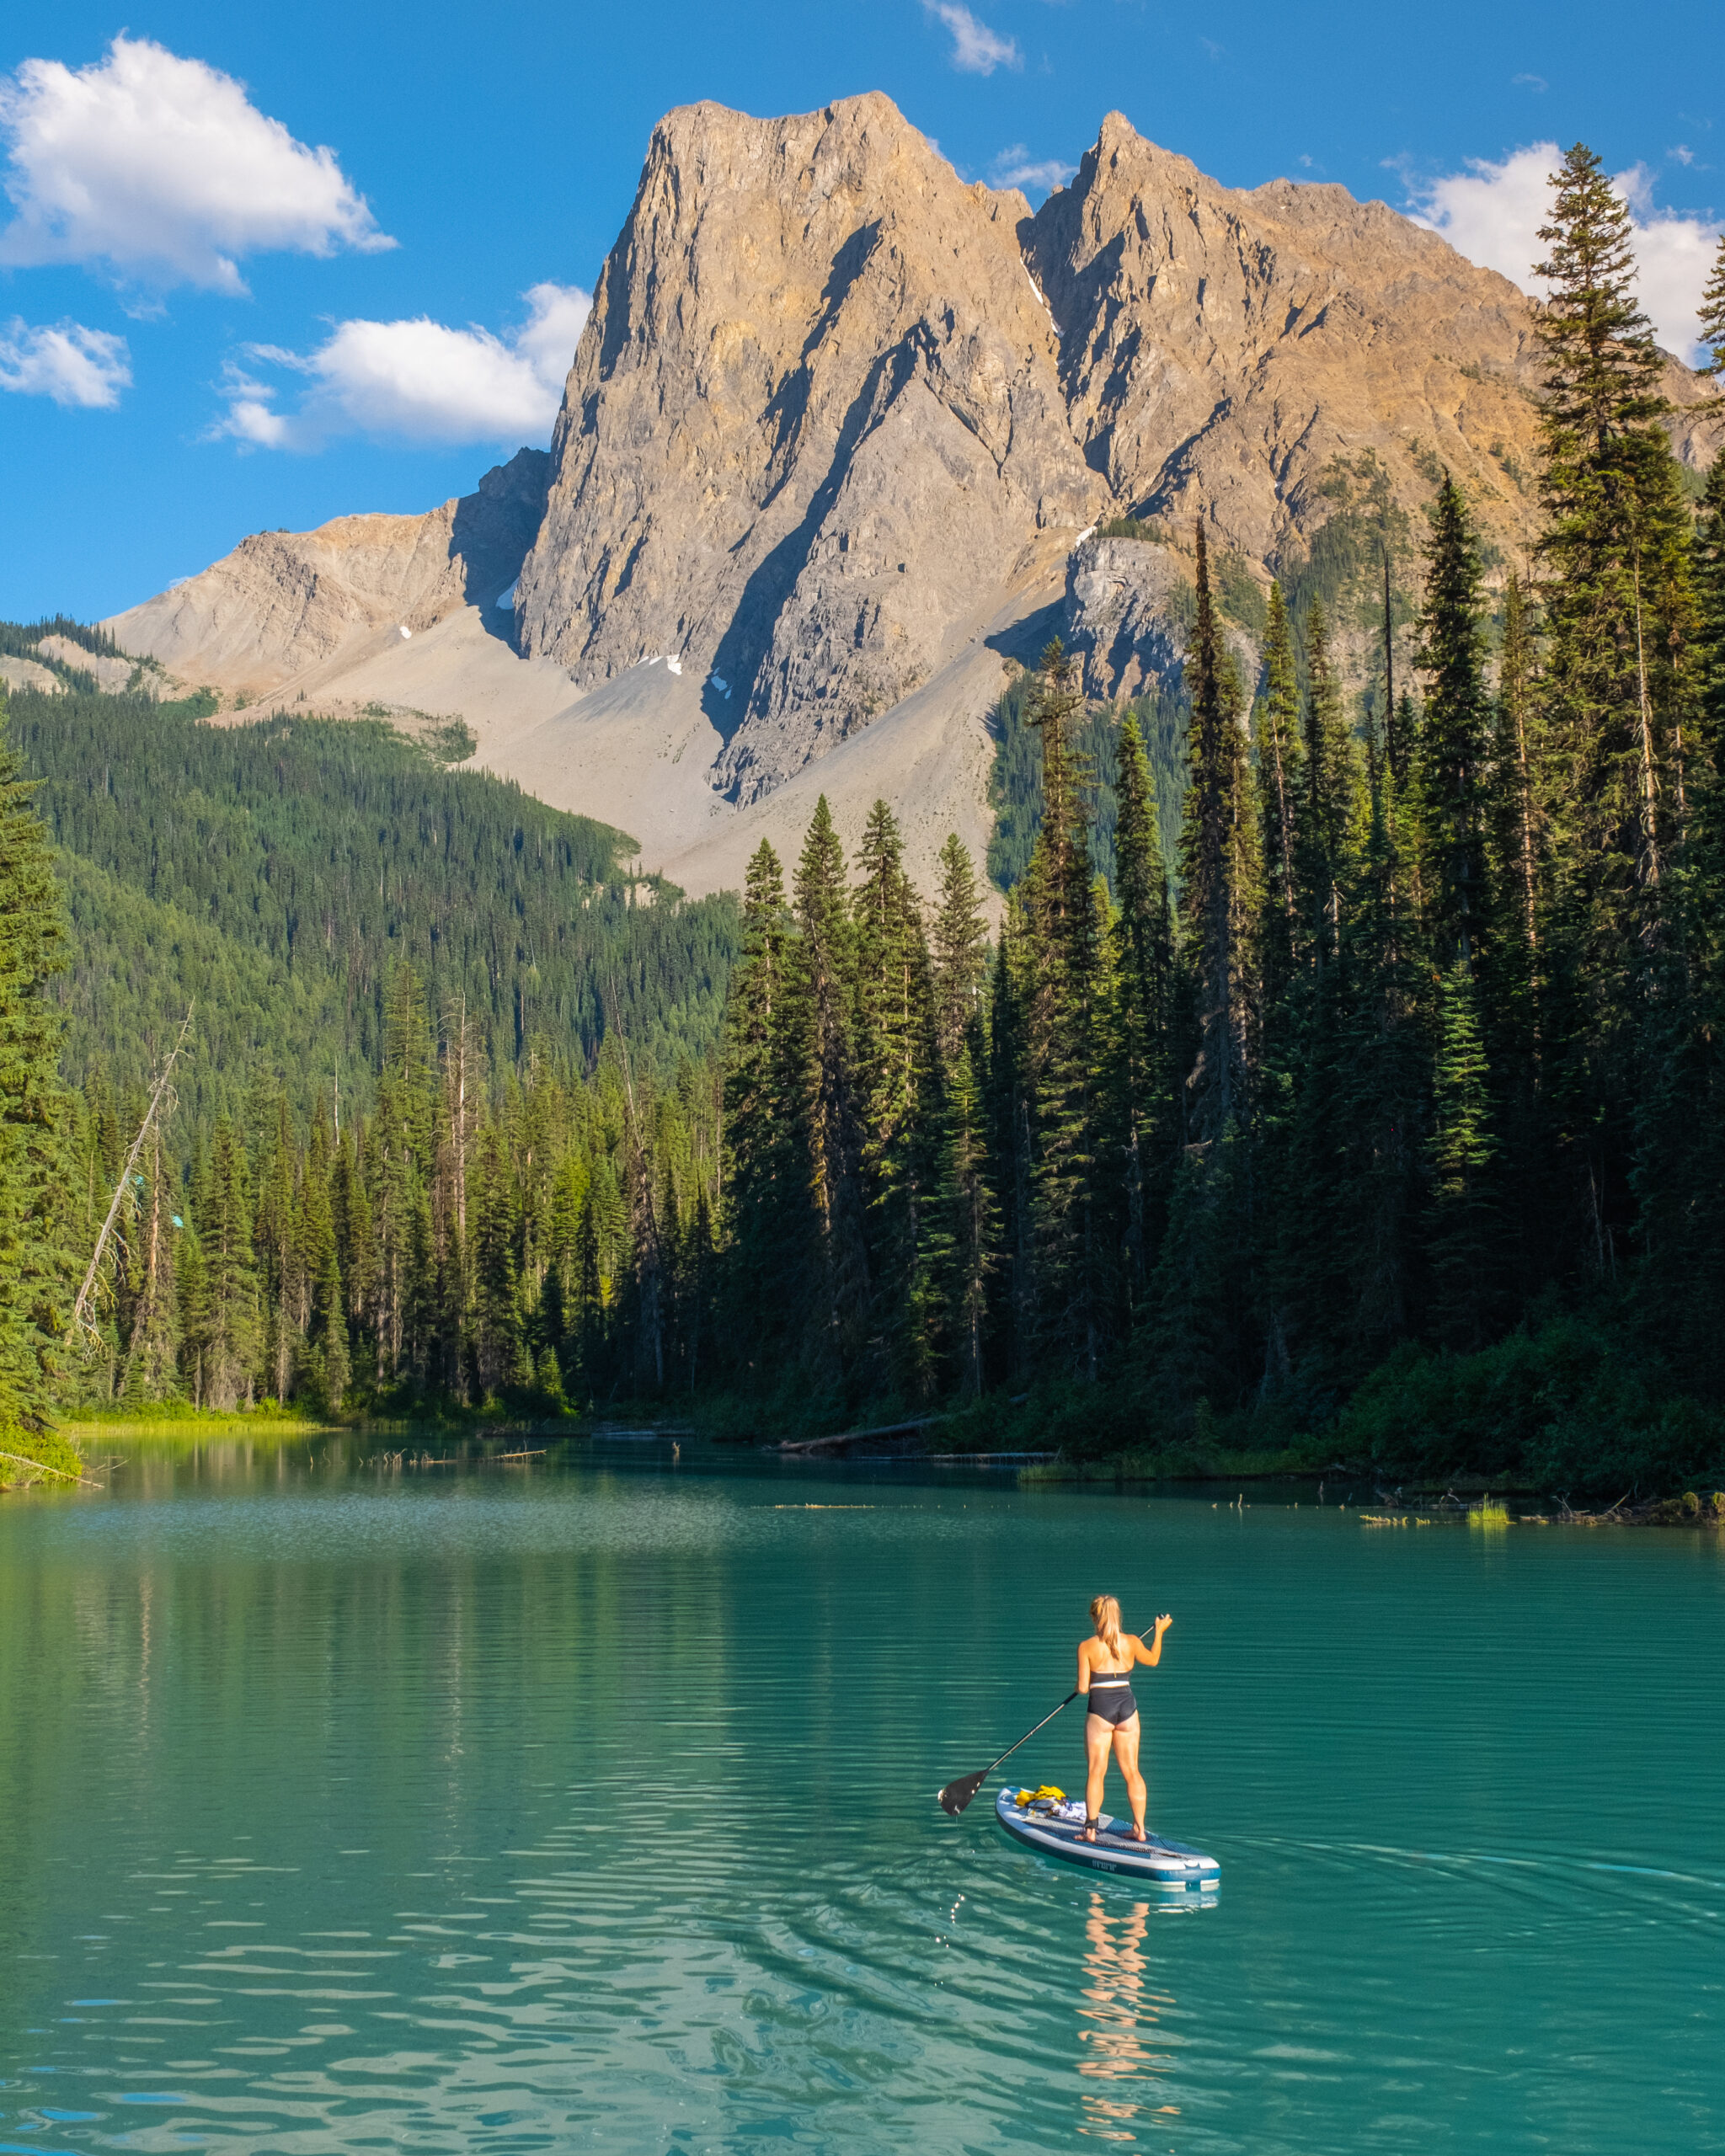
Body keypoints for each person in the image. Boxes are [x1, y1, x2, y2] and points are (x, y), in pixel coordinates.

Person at [1077, 1594, 1172, 1843]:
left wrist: (1079, 1686)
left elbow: (1084, 1688)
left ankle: (1090, 1830)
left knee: (1096, 1770)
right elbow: (1153, 1660)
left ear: (1094, 1617)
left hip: (1101, 1710)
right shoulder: (1131, 1642)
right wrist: (1159, 1631)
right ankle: (1139, 1830)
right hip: (1128, 1708)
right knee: (1132, 1771)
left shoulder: (1087, 1646)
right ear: (1117, 1616)